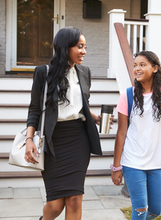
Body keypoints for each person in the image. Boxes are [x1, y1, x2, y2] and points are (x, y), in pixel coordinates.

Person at [25, 27, 102, 220]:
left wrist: (93, 116)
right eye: (79, 46)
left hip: (78, 139)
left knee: (75, 199)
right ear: (64, 47)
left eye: (84, 47)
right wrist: (29, 139)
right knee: (55, 205)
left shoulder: (84, 72)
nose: (84, 51)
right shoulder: (44, 72)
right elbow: (35, 108)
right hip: (53, 141)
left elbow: (80, 103)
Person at [111, 51, 161, 220]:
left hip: (157, 161)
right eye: (135, 65)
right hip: (133, 161)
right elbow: (121, 133)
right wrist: (116, 166)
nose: (137, 69)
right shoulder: (127, 96)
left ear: (155, 68)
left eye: (142, 65)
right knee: (140, 209)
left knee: (156, 211)